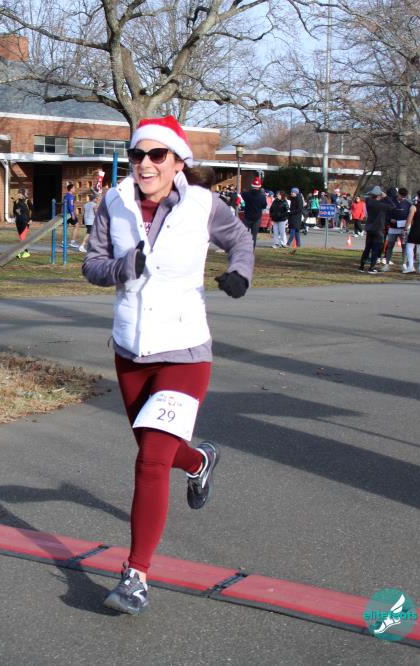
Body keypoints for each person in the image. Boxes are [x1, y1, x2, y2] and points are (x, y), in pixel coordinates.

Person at [81, 115, 253, 616]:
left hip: (185, 350)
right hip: (130, 351)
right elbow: (92, 265)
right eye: (138, 155)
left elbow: (241, 240)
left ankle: (135, 576)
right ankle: (199, 462)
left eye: (157, 155)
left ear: (179, 162)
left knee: (152, 461)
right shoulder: (113, 203)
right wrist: (123, 267)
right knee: (158, 451)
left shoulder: (202, 204)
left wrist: (239, 272)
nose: (145, 164)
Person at [360, 186, 394, 273]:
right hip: (378, 228)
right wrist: (386, 197)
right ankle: (372, 267)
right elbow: (392, 206)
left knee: (367, 247)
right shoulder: (381, 205)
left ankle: (362, 266)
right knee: (376, 248)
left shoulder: (369, 202)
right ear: (379, 195)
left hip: (369, 227)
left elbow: (368, 197)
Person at [382, 187, 411, 271]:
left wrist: (405, 226)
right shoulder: (392, 202)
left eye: (404, 197)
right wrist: (389, 220)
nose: (403, 198)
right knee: (390, 246)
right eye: (401, 196)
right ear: (398, 194)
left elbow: (410, 217)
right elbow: (386, 214)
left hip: (403, 229)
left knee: (404, 247)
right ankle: (387, 264)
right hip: (392, 228)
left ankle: (404, 264)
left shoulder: (408, 204)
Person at [402, 189, 420, 275]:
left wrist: (405, 229)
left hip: (415, 229)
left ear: (418, 197)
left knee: (409, 246)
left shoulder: (414, 207)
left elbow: (409, 219)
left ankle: (411, 266)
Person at [241, 176, 268, 249]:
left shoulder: (246, 194)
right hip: (257, 217)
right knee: (254, 235)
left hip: (247, 216)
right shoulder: (262, 196)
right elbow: (264, 206)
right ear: (259, 186)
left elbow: (242, 195)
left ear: (252, 185)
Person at [13, 189, 31, 258]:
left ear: (23, 194)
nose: (18, 194)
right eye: (18, 193)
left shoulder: (27, 201)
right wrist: (15, 205)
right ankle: (22, 251)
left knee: (23, 237)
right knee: (21, 237)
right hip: (18, 221)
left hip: (25, 221)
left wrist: (31, 219)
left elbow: (32, 210)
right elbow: (15, 211)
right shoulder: (16, 201)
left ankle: (26, 252)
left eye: (20, 193)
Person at [287, 187, 305, 253]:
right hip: (293, 216)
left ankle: (288, 243)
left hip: (296, 217)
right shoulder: (293, 198)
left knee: (293, 230)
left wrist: (292, 212)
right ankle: (298, 244)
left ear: (296, 193)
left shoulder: (299, 199)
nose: (291, 193)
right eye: (291, 192)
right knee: (296, 231)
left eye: (292, 192)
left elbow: (299, 209)